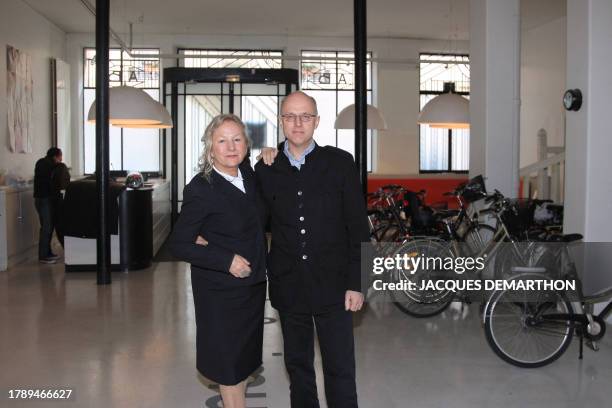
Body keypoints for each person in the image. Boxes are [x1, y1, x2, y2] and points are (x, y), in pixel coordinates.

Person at [255, 91, 370, 408]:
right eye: (290, 116)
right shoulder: (266, 168)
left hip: (334, 287)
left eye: (305, 116)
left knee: (340, 368)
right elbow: (251, 219)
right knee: (299, 367)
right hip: (289, 287)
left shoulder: (340, 163)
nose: (297, 123)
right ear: (281, 121)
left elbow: (358, 227)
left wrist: (357, 282)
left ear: (317, 122)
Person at [169, 114, 266, 408]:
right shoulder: (201, 187)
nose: (231, 146)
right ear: (210, 147)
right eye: (222, 140)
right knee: (228, 365)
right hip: (220, 291)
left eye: (237, 139)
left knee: (243, 362)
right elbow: (179, 243)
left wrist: (274, 151)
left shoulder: (248, 175)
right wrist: (225, 259)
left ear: (246, 145)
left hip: (252, 286)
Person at [33, 147, 64, 264]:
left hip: (40, 199)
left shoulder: (42, 162)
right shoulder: (49, 165)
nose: (61, 159)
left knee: (47, 226)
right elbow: (51, 182)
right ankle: (44, 255)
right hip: (45, 200)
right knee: (47, 227)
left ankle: (47, 253)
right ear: (55, 156)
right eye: (60, 156)